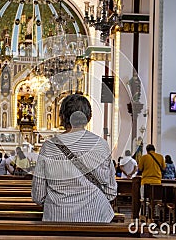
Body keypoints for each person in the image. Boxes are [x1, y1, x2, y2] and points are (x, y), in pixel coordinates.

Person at [32, 94, 117, 222]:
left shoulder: (48, 147)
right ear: (88, 117)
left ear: (62, 116)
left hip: (57, 220)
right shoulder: (101, 145)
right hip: (96, 219)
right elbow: (111, 191)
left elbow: (38, 195)